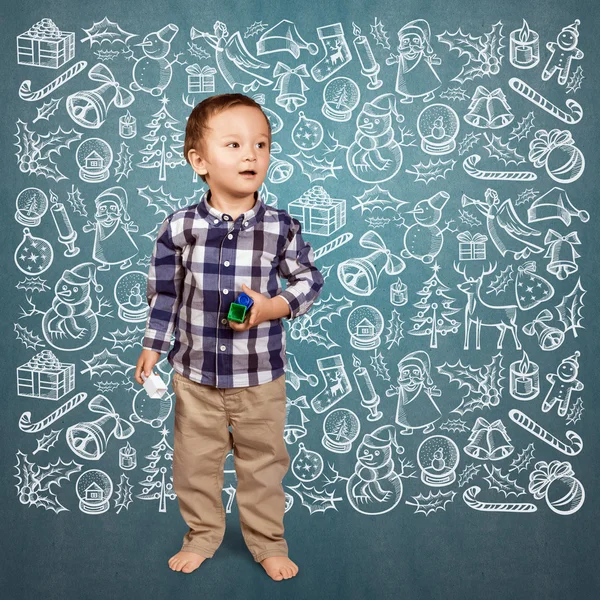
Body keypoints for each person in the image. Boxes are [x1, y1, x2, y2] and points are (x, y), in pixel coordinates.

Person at [134, 94, 324, 580]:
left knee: (263, 466)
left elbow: (308, 280)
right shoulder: (180, 227)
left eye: (261, 145)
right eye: (235, 144)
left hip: (260, 378)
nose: (250, 155)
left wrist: (271, 308)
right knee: (194, 465)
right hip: (195, 376)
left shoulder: (280, 227)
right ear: (199, 160)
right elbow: (165, 294)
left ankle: (268, 541)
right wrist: (153, 346)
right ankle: (201, 535)